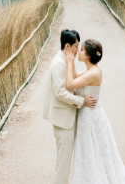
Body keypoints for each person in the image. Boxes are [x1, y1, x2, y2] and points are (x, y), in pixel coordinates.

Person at [65, 39, 125, 184]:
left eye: (81, 50)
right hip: (88, 115)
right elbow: (76, 76)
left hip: (90, 117)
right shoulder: (91, 69)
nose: (79, 52)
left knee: (92, 151)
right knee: (90, 151)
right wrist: (71, 61)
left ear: (88, 55)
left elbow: (70, 83)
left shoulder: (94, 73)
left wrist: (70, 63)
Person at [43, 29, 98, 184]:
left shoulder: (64, 62)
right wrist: (82, 101)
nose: (77, 50)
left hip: (66, 119)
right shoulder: (59, 63)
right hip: (63, 121)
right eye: (76, 46)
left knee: (65, 162)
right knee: (63, 165)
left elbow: (73, 79)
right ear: (68, 46)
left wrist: (71, 63)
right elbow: (60, 92)